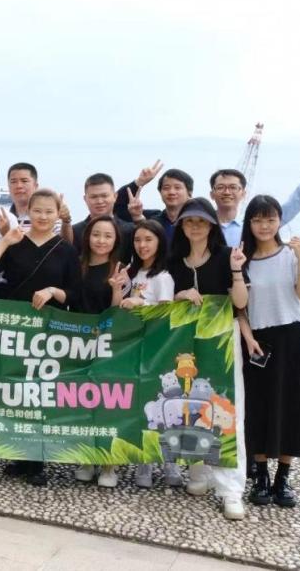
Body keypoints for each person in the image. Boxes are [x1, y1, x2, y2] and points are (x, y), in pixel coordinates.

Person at [0, 189, 81, 486]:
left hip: (47, 332)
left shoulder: (65, 249)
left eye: (49, 211)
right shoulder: (15, 242)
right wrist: (5, 241)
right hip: (15, 329)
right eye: (37, 211)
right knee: (14, 394)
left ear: (58, 214)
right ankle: (19, 455)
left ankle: (37, 460)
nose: (43, 217)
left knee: (39, 395)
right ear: (28, 212)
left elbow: (75, 293)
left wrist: (52, 291)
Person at [239, 195, 300, 509]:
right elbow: (239, 308)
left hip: (293, 337)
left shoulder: (290, 255)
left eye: (271, 219)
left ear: (279, 221)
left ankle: (283, 477)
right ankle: (261, 475)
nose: (264, 226)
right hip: (258, 341)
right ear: (249, 223)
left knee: (291, 405)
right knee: (258, 407)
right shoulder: (242, 259)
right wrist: (248, 337)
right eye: (258, 220)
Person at [167, 197, 249, 520]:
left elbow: (240, 302)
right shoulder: (175, 261)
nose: (195, 226)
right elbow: (164, 301)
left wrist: (237, 271)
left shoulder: (228, 256)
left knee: (227, 408)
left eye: (201, 221)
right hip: (185, 345)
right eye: (189, 221)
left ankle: (231, 489)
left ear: (212, 225)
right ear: (181, 226)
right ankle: (197, 471)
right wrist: (180, 295)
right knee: (190, 405)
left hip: (222, 342)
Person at [119, 219, 181, 489]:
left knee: (166, 408)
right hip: (135, 348)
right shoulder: (132, 274)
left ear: (159, 243)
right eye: (137, 240)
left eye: (148, 240)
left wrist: (141, 303)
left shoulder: (163, 276)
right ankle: (143, 462)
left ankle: (170, 464)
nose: (142, 245)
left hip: (159, 351)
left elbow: (165, 314)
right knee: (142, 407)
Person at [70, 215, 125, 487]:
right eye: (96, 234)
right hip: (77, 343)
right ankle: (85, 459)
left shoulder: (119, 268)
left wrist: (117, 290)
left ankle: (109, 465)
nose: (101, 240)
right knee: (81, 401)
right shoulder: (76, 264)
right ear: (87, 237)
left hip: (109, 344)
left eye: (107, 236)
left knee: (108, 404)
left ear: (115, 240)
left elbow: (118, 311)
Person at [212, 131, 300, 246]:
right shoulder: (204, 225)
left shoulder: (252, 226)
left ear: (243, 193)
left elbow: (296, 201)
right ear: (212, 194)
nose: (227, 192)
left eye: (233, 187)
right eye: (221, 187)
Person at [62, 173, 133, 264]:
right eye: (94, 197)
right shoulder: (74, 232)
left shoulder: (129, 230)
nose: (99, 201)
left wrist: (138, 217)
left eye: (104, 196)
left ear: (115, 196)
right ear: (85, 199)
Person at [116, 162, 193, 245]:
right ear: (160, 192)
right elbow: (117, 208)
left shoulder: (197, 221)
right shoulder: (152, 219)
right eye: (166, 188)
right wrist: (139, 182)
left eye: (177, 187)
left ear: (189, 193)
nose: (171, 192)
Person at [6, 162, 71, 232]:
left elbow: (64, 239)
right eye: (13, 182)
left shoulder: (48, 215)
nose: (19, 186)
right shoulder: (4, 218)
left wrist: (66, 221)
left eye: (24, 181)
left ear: (36, 186)